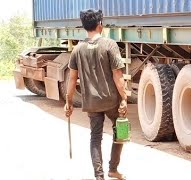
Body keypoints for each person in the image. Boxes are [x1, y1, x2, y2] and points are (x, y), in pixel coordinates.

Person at [64, 9, 127, 180]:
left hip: (91, 103)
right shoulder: (109, 45)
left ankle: (99, 176)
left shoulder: (77, 49)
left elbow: (71, 80)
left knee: (95, 138)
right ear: (100, 24)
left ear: (84, 26)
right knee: (121, 131)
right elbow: (118, 75)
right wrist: (124, 98)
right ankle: (113, 169)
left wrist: (68, 102)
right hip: (111, 101)